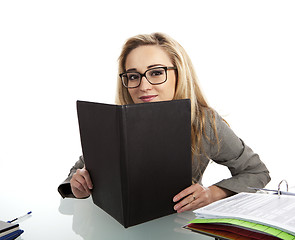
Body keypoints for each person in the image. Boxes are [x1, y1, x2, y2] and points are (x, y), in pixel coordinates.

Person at [58, 32, 271, 213]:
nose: (144, 86)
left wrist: (212, 194)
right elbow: (77, 173)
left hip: (177, 226)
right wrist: (77, 186)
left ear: (179, 74)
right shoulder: (113, 123)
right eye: (133, 76)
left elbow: (257, 172)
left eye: (157, 72)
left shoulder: (203, 122)